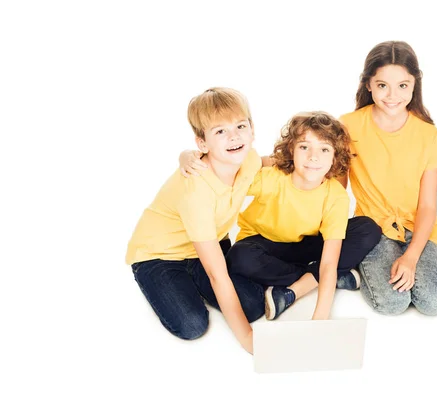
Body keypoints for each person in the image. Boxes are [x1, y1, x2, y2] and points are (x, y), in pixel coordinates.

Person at [179, 112, 381, 321]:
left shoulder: (335, 195)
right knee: (239, 257)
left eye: (324, 149)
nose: (313, 156)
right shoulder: (272, 178)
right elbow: (227, 171)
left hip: (306, 244)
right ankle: (327, 277)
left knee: (367, 228)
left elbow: (329, 261)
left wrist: (320, 317)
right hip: (264, 245)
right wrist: (188, 156)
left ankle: (298, 288)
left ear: (335, 157)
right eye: (304, 147)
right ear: (291, 150)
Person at [125, 87, 264, 353]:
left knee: (254, 305)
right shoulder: (197, 191)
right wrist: (247, 338)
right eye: (220, 131)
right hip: (159, 254)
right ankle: (173, 282)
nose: (233, 136)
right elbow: (217, 273)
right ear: (202, 143)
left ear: (252, 129)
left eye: (240, 126)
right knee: (192, 325)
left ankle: (194, 281)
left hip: (205, 245)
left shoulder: (249, 159)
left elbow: (266, 164)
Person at [339, 41, 437, 316]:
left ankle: (398, 261)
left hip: (419, 228)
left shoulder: (429, 135)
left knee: (432, 302)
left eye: (402, 85)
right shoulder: (349, 125)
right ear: (368, 85)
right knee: (392, 303)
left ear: (415, 84)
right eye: (382, 85)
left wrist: (411, 257)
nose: (392, 95)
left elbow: (427, 207)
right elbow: (337, 189)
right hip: (373, 230)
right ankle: (354, 270)